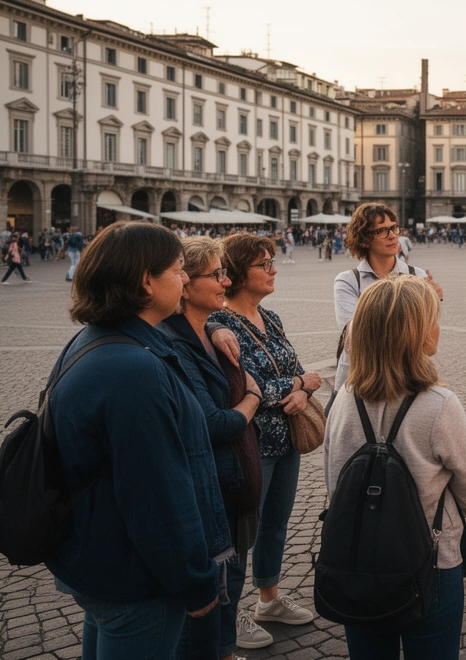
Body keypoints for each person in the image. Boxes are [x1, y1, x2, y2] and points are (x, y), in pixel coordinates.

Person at [45, 222, 225, 660]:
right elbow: (157, 492)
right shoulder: (134, 369)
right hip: (137, 576)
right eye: (178, 269)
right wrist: (194, 580)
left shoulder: (93, 341)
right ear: (147, 281)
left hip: (99, 560)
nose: (185, 278)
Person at [326, 276, 466, 659]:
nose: (438, 327)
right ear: (413, 333)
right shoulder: (439, 405)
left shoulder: (344, 399)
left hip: (357, 562)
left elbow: (336, 486)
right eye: (432, 319)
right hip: (431, 562)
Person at [210, 234, 319, 649]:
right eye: (264, 264)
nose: (273, 270)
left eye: (272, 261)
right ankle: (231, 613)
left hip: (286, 441)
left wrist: (302, 388)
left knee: (276, 523)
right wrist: (297, 385)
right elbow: (245, 387)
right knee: (241, 534)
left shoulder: (269, 317)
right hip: (249, 446)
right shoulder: (220, 326)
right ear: (238, 272)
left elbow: (299, 369)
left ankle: (269, 598)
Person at [159, 237, 263, 660]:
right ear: (185, 284)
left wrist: (217, 326)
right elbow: (213, 424)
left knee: (230, 584)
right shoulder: (175, 343)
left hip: (234, 483)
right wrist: (253, 399)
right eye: (217, 274)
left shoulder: (210, 330)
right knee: (211, 594)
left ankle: (226, 652)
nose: (226, 281)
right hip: (214, 488)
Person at [334, 203, 442, 393]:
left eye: (393, 228)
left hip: (407, 381)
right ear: (364, 239)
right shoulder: (349, 281)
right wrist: (414, 315)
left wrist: (432, 304)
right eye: (381, 231)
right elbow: (354, 340)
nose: (392, 235)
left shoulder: (417, 276)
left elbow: (429, 345)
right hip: (359, 383)